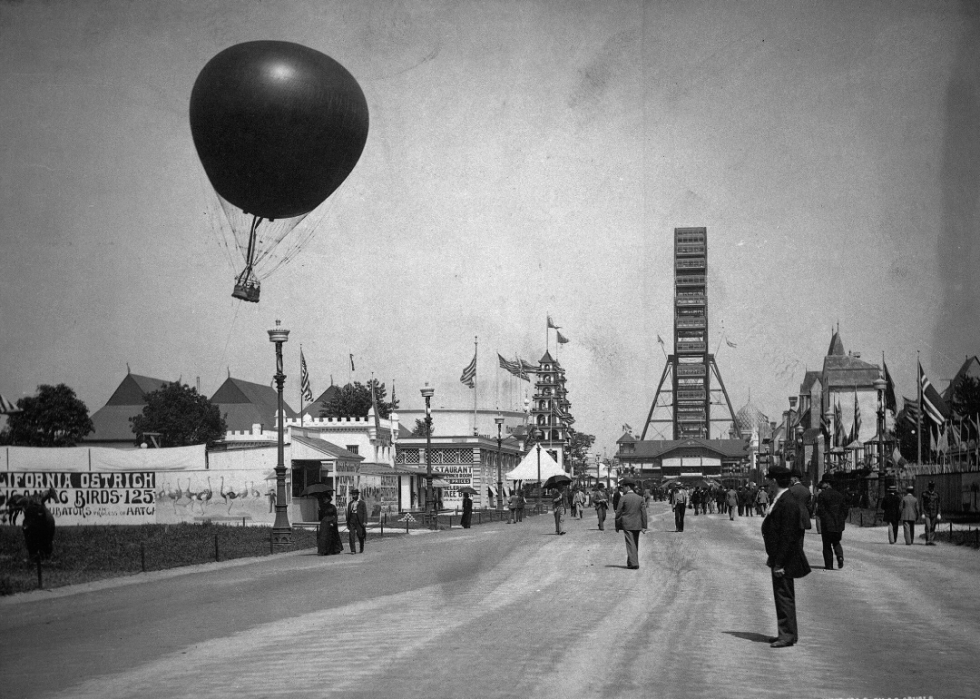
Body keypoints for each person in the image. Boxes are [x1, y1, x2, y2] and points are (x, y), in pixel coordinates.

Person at [761, 465, 811, 648]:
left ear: (774, 481)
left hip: (785, 558)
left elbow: (788, 535)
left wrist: (780, 562)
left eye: (769, 480)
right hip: (779, 557)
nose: (767, 483)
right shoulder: (782, 498)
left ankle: (787, 635)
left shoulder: (787, 502)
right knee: (781, 595)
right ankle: (786, 632)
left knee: (784, 595)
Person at [813, 480, 848, 570]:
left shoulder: (822, 495)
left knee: (827, 545)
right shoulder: (840, 495)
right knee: (836, 541)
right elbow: (845, 509)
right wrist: (842, 519)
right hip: (838, 524)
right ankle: (840, 556)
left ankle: (829, 565)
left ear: (828, 484)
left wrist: (823, 519)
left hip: (827, 524)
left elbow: (821, 510)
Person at [615, 481, 647, 569]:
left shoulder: (623, 498)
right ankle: (630, 562)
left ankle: (634, 563)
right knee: (634, 543)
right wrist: (644, 526)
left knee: (630, 543)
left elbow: (618, 513)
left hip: (627, 524)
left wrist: (617, 525)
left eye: (624, 487)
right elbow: (643, 512)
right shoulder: (640, 498)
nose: (623, 489)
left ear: (628, 487)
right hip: (637, 523)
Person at [346, 488, 367, 554]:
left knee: (360, 535)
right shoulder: (350, 503)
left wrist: (365, 521)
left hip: (359, 520)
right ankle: (353, 550)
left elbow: (365, 513)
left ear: (358, 495)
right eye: (352, 495)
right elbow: (348, 513)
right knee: (351, 535)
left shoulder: (362, 503)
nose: (353, 496)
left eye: (355, 494)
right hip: (352, 519)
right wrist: (348, 522)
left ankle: (361, 547)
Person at [921, 481, 941, 546]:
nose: (931, 488)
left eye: (932, 487)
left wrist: (939, 513)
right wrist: (922, 513)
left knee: (933, 526)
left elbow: (938, 504)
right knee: (928, 526)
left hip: (934, 513)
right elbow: (922, 504)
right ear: (928, 487)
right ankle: (927, 540)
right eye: (930, 487)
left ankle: (931, 540)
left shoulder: (936, 495)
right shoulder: (924, 494)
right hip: (927, 513)